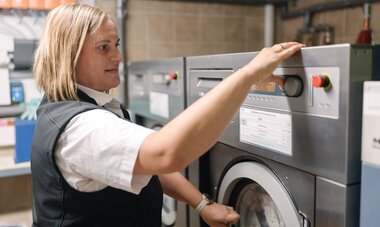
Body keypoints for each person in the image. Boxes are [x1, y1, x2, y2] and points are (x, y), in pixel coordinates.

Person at [31, 3, 303, 227]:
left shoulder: (81, 107)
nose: (119, 57)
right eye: (104, 48)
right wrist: (248, 75)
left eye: (116, 44)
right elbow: (166, 153)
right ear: (69, 56)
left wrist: (202, 203)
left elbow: (148, 166)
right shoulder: (82, 127)